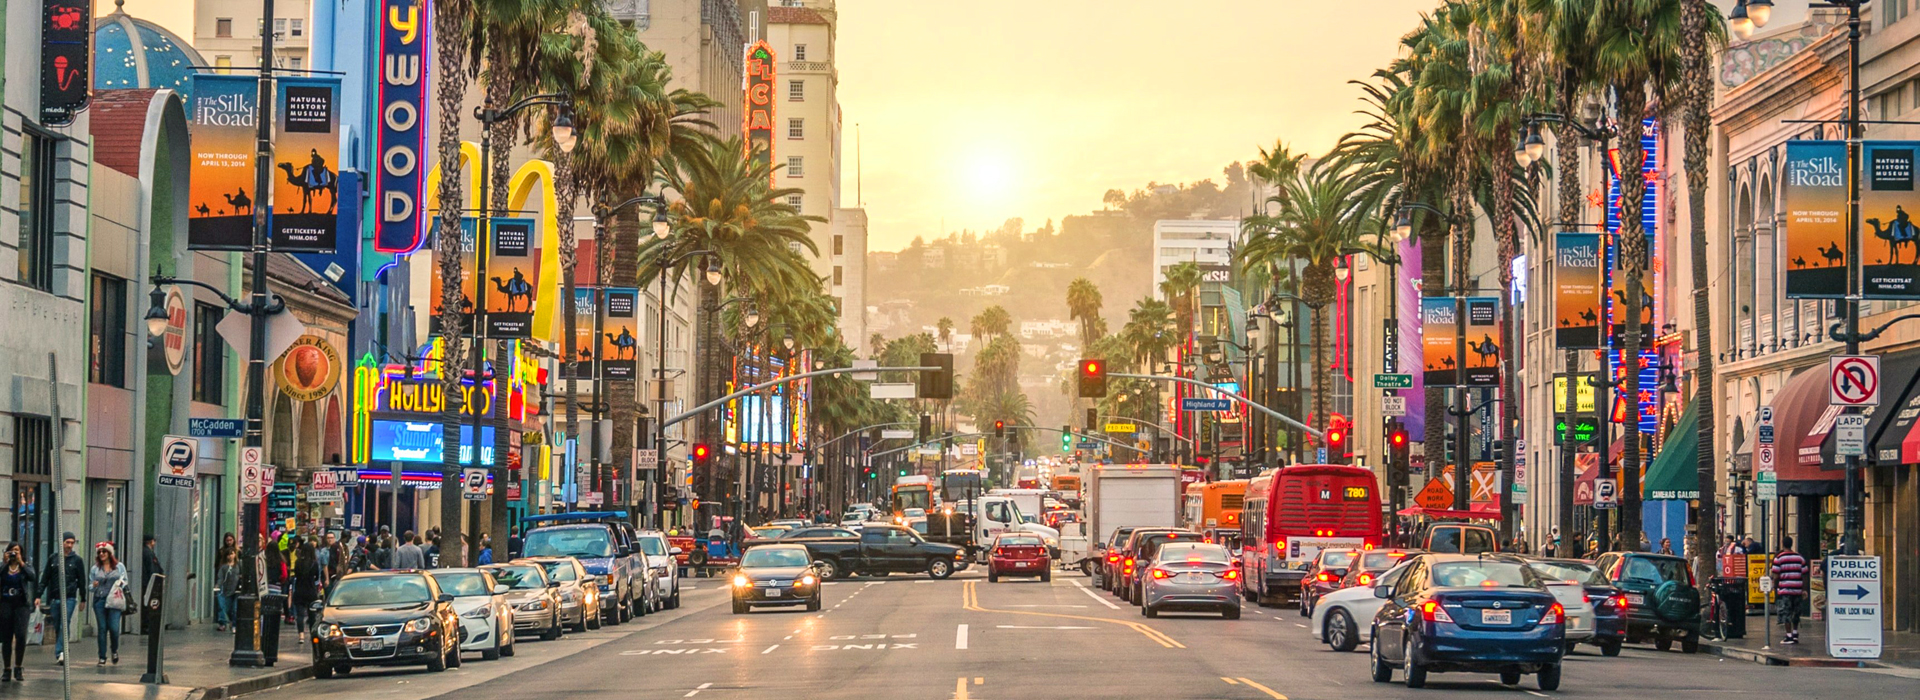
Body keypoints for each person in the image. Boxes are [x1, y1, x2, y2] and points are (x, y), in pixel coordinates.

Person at [36, 532, 85, 664]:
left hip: (69, 597)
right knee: (58, 624)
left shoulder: (77, 561)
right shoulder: (53, 559)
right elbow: (45, 578)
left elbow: (81, 580)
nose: (69, 545)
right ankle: (63, 647)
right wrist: (38, 595)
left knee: (65, 622)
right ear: (62, 542)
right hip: (55, 597)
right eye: (67, 542)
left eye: (72, 543)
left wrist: (83, 598)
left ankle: (61, 652)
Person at [1, 544, 38, 680]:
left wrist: (21, 562)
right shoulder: (3, 567)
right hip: (5, 604)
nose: (14, 554)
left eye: (17, 551)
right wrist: (5, 563)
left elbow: (32, 577)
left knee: (21, 635)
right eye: (12, 551)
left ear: (21, 553)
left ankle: (18, 667)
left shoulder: (25, 566)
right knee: (6, 637)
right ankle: (6, 669)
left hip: (21, 605)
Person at [88, 543, 128, 665]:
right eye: (99, 552)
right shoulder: (95, 568)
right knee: (102, 628)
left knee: (114, 628)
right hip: (99, 600)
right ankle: (102, 656)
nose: (101, 554)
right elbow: (90, 586)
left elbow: (125, 581)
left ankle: (114, 650)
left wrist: (121, 583)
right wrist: (93, 586)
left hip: (114, 600)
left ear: (109, 553)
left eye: (104, 552)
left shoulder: (119, 567)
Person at [1770, 536, 1807, 644]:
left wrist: (1775, 587)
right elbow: (1804, 574)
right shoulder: (1799, 557)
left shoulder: (1779, 558)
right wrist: (1804, 589)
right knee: (1796, 612)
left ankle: (1788, 636)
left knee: (1786, 613)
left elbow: (1776, 575)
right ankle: (1795, 633)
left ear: (1782, 544)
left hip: (1785, 590)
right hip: (1797, 589)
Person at [290, 540, 322, 636]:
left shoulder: (298, 562)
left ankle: (301, 635)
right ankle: (312, 633)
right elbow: (316, 576)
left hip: (299, 590)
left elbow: (296, 574)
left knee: (300, 615)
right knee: (312, 615)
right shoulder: (314, 563)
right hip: (311, 591)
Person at [215, 548, 237, 632]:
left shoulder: (238, 565)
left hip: (236, 590)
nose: (230, 556)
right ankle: (231, 621)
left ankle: (234, 625)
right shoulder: (224, 567)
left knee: (235, 608)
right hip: (227, 590)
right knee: (227, 608)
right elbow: (220, 578)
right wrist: (218, 585)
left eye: (232, 553)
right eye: (228, 554)